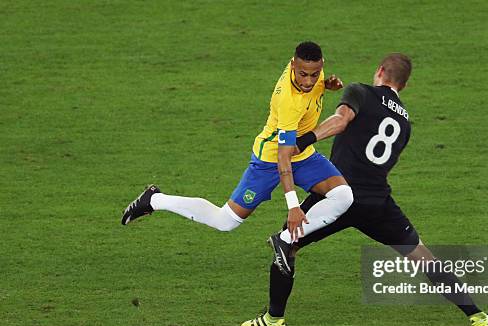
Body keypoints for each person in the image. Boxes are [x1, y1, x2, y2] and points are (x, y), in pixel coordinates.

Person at [241, 53, 488, 326]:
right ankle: (478, 316)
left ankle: (273, 319)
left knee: (287, 244)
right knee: (422, 255)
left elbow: (341, 120)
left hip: (338, 195)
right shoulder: (405, 123)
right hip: (377, 202)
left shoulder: (362, 92)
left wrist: (305, 140)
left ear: (380, 71)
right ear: (403, 85)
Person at [121, 41, 353, 257]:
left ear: (321, 65)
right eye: (303, 74)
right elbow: (283, 157)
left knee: (344, 196)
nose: (308, 81)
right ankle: (155, 200)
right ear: (293, 65)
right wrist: (293, 207)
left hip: (303, 154)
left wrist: (326, 84)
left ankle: (283, 240)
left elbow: (312, 85)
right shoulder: (289, 101)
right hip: (271, 160)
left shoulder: (313, 70)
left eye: (314, 75)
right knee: (226, 221)